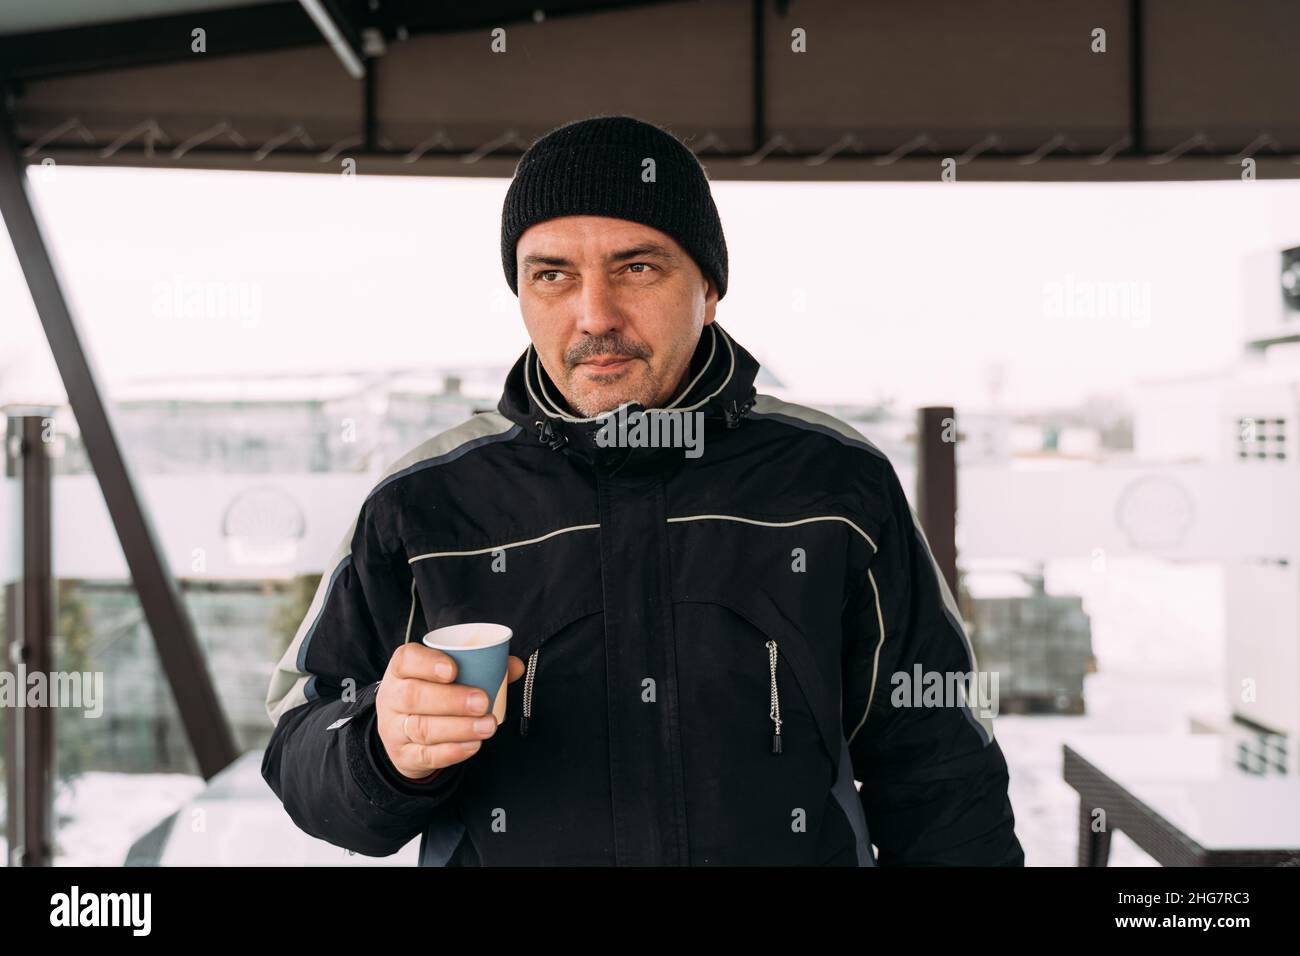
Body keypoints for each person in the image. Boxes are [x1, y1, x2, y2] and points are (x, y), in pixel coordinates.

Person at [262, 114, 1024, 866]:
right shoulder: (426, 501)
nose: (595, 315)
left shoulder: (834, 482)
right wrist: (384, 751)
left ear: (709, 288)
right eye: (552, 275)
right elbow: (302, 737)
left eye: (637, 267)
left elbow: (939, 766)